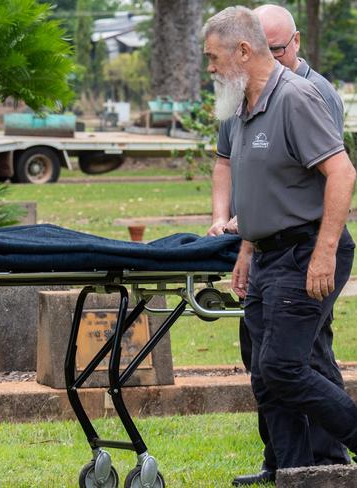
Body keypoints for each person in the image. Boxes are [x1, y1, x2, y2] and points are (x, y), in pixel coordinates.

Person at [202, 4, 357, 480]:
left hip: (306, 248)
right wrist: (246, 250)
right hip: (268, 252)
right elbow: (256, 189)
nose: (209, 69)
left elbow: (342, 173)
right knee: (265, 376)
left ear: (243, 51)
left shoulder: (297, 97)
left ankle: (336, 455)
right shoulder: (243, 105)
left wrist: (324, 251)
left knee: (285, 367)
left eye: (213, 58)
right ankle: (294, 472)